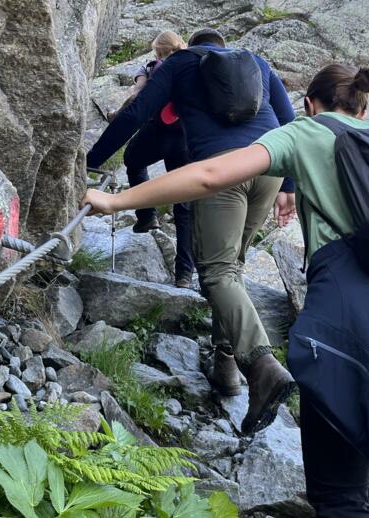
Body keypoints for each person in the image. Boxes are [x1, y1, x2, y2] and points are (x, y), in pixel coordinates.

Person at [80, 63, 369, 516]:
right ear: (364, 104)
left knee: (336, 490)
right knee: (361, 461)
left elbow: (210, 175)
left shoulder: (306, 132)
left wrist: (116, 199)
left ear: (310, 104)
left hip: (347, 320)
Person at [86, 28, 299, 435]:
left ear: (196, 45)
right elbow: (290, 123)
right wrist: (288, 185)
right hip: (267, 166)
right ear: (223, 46)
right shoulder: (256, 61)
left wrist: (93, 161)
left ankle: (262, 365)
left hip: (220, 171)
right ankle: (227, 367)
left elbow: (136, 112)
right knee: (231, 268)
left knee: (217, 273)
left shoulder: (180, 63)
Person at [113, 30, 195, 289]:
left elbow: (140, 93)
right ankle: (184, 273)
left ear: (158, 51)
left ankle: (147, 214)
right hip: (186, 139)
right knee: (184, 204)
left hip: (158, 134)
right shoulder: (193, 64)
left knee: (133, 160)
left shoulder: (158, 67)